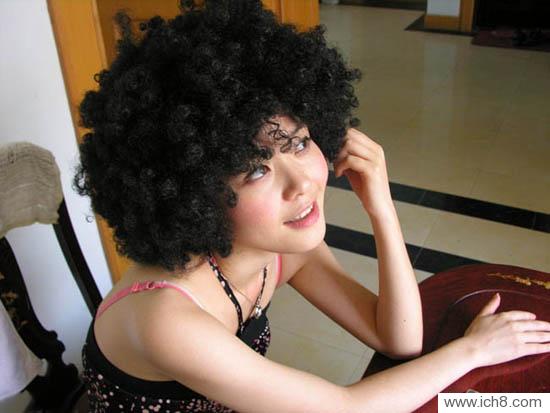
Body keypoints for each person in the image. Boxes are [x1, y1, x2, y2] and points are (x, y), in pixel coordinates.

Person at [74, 1, 550, 412]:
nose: (302, 183)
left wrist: (381, 208)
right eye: (255, 170)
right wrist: (474, 351)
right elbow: (347, 408)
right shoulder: (164, 318)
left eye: (299, 143)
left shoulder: (279, 253)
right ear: (192, 192)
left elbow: (400, 340)